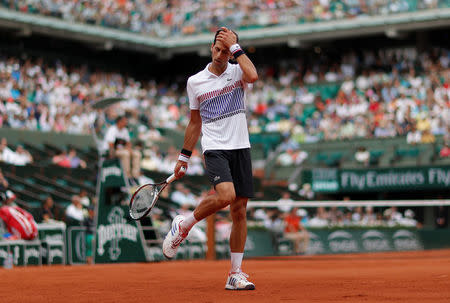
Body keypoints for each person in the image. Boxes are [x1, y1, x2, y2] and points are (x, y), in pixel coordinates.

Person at [162, 27, 258, 290]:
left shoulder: (239, 71)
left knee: (239, 211)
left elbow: (253, 75)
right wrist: (184, 156)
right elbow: (195, 123)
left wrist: (236, 48)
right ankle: (185, 224)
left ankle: (235, 274)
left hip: (241, 147)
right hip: (215, 147)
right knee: (226, 196)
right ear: (210, 48)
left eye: (225, 50)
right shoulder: (195, 82)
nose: (220, 54)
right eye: (217, 48)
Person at [103, 115, 141, 183]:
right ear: (119, 122)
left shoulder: (125, 130)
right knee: (125, 153)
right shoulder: (112, 129)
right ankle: (127, 176)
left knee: (137, 154)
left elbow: (128, 143)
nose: (126, 123)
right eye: (124, 121)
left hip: (121, 150)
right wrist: (124, 148)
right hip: (111, 151)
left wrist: (129, 149)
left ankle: (135, 176)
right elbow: (111, 145)